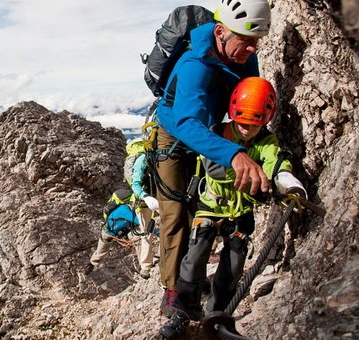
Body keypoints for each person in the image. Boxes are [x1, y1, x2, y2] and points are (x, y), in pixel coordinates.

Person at [158, 77, 307, 338]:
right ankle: (183, 311)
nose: (246, 129)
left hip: (239, 213)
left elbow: (275, 160)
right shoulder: (217, 133)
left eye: (253, 124)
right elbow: (214, 169)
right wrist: (257, 172)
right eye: (242, 122)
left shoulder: (266, 142)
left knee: (234, 265)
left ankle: (218, 314)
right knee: (194, 257)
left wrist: (284, 177)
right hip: (212, 207)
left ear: (265, 119)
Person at [152, 0, 273, 313]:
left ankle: (195, 281)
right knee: (176, 213)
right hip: (175, 137)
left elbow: (246, 98)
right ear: (221, 31)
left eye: (256, 44)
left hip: (215, 132)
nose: (251, 51)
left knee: (201, 206)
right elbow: (186, 123)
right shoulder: (195, 64)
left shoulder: (243, 57)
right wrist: (234, 154)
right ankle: (174, 293)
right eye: (246, 43)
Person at [87, 154, 160, 280]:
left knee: (134, 239)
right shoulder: (124, 211)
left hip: (112, 230)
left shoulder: (123, 208)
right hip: (110, 232)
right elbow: (144, 225)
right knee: (137, 237)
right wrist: (159, 232)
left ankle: (92, 264)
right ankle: (92, 265)